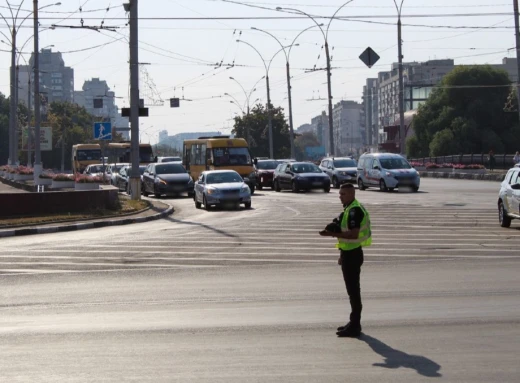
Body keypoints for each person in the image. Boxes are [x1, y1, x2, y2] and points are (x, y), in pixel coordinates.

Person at [319, 183, 372, 338]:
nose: (340, 196)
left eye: (343, 194)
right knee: (352, 292)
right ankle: (353, 322)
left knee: (354, 292)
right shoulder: (349, 208)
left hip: (354, 254)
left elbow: (353, 235)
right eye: (340, 194)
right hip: (349, 253)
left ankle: (355, 326)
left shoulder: (355, 210)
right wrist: (342, 255)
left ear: (351, 194)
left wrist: (331, 235)